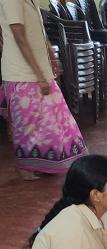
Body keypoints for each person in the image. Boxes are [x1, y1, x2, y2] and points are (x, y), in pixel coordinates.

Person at [0, 0, 88, 180]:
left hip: (38, 71)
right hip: (22, 73)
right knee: (28, 124)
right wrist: (39, 75)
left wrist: (50, 55)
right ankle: (25, 167)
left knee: (55, 119)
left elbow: (39, 32)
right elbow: (19, 36)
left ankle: (43, 162)